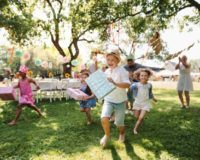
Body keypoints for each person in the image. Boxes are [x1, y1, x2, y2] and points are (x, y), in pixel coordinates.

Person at [100, 49, 130, 147]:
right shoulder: (106, 71)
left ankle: (122, 133)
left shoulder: (122, 71)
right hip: (108, 99)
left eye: (112, 60)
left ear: (117, 60)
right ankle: (107, 135)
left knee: (119, 123)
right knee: (104, 118)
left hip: (120, 101)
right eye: (108, 59)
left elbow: (127, 85)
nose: (110, 62)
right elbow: (104, 85)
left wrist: (115, 83)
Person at [130, 69, 157, 134]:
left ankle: (135, 129)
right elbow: (129, 89)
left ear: (148, 77)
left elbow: (150, 93)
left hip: (146, 103)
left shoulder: (149, 85)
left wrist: (153, 98)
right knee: (136, 116)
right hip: (137, 103)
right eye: (142, 75)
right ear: (139, 77)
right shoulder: (135, 85)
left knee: (141, 118)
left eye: (145, 75)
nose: (143, 77)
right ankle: (138, 116)